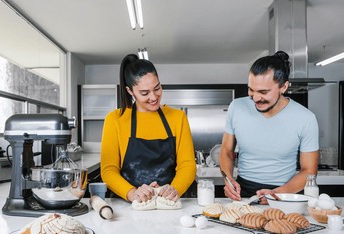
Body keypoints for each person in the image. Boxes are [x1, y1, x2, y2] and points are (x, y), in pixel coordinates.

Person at [219, 51, 319, 202]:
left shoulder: (306, 119)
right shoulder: (237, 107)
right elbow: (226, 150)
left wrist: (277, 194)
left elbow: (309, 171)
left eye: (263, 92)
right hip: (242, 192)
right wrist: (228, 179)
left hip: (285, 193)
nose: (256, 98)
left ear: (283, 87)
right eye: (251, 90)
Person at [100, 54, 196, 203]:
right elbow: (108, 170)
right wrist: (132, 193)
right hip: (130, 206)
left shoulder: (178, 117)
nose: (154, 97)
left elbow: (187, 165)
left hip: (169, 203)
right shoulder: (115, 120)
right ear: (130, 91)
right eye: (144, 93)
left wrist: (174, 189)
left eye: (157, 88)